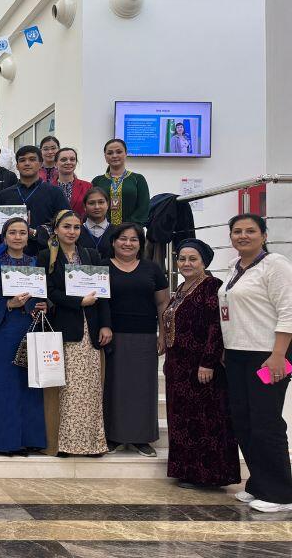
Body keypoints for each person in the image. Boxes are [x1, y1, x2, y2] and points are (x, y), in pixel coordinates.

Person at [219, 214, 292, 513]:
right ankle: (259, 483)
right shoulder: (235, 268)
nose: (243, 236)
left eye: (250, 231)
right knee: (244, 421)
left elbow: (289, 311)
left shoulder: (275, 265)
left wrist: (279, 355)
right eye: (237, 231)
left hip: (267, 356)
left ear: (263, 235)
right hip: (237, 355)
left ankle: (280, 493)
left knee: (266, 423)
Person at [160, 239, 240, 489]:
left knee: (205, 421)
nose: (186, 263)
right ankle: (187, 472)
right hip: (179, 368)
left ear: (204, 262)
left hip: (201, 368)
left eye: (192, 259)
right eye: (182, 259)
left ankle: (209, 475)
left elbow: (216, 327)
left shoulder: (211, 286)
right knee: (184, 420)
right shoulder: (183, 287)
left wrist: (208, 362)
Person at [36, 210, 111, 456]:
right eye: (67, 227)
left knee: (89, 389)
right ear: (56, 230)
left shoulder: (91, 255)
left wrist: (105, 324)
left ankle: (92, 444)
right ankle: (65, 444)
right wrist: (78, 302)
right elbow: (50, 291)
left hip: (91, 329)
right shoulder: (47, 256)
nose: (71, 232)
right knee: (66, 389)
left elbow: (104, 294)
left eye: (76, 227)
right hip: (64, 328)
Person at [0, 218, 47, 454]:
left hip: (30, 326)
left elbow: (45, 294)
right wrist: (8, 303)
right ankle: (6, 441)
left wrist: (43, 305)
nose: (18, 237)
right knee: (4, 384)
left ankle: (31, 438)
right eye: (12, 232)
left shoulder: (35, 262)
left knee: (30, 384)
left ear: (28, 236)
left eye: (22, 232)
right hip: (4, 327)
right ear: (4, 236)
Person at [103, 223, 169, 457]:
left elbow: (162, 303)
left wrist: (164, 333)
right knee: (113, 387)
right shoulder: (102, 267)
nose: (128, 243)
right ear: (113, 242)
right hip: (111, 335)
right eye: (122, 238)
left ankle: (142, 438)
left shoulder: (152, 269)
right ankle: (112, 436)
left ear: (141, 244)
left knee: (143, 388)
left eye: (134, 239)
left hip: (145, 335)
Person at [0, 146, 70, 255]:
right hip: (10, 256)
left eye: (32, 159)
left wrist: (35, 233)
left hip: (46, 255)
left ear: (40, 164)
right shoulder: (4, 195)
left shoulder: (55, 192)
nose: (27, 163)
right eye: (22, 160)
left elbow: (66, 223)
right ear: (17, 166)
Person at [91, 139, 151, 226]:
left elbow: (144, 207)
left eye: (119, 152)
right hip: (103, 230)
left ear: (126, 154)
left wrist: (128, 227)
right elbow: (92, 206)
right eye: (110, 153)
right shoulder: (98, 181)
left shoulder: (138, 179)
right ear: (105, 157)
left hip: (131, 231)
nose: (114, 156)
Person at [53, 147, 92, 219]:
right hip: (54, 229)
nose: (68, 162)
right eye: (63, 160)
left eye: (72, 159)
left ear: (76, 162)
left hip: (80, 228)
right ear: (55, 164)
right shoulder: (48, 187)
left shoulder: (87, 186)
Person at [78, 188, 113, 258]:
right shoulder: (76, 231)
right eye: (91, 203)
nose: (97, 207)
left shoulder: (117, 231)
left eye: (101, 202)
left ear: (108, 205)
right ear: (84, 207)